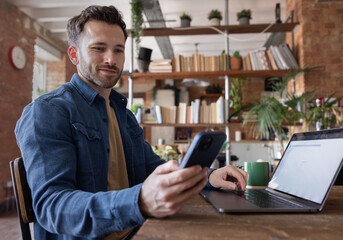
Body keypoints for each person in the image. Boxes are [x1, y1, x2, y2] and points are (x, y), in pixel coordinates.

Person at [15, 5, 248, 240]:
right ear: (74, 55)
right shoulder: (48, 111)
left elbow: (153, 169)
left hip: (139, 231)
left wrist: (209, 177)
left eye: (118, 50)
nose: (111, 59)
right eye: (99, 48)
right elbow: (52, 207)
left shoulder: (123, 115)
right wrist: (139, 201)